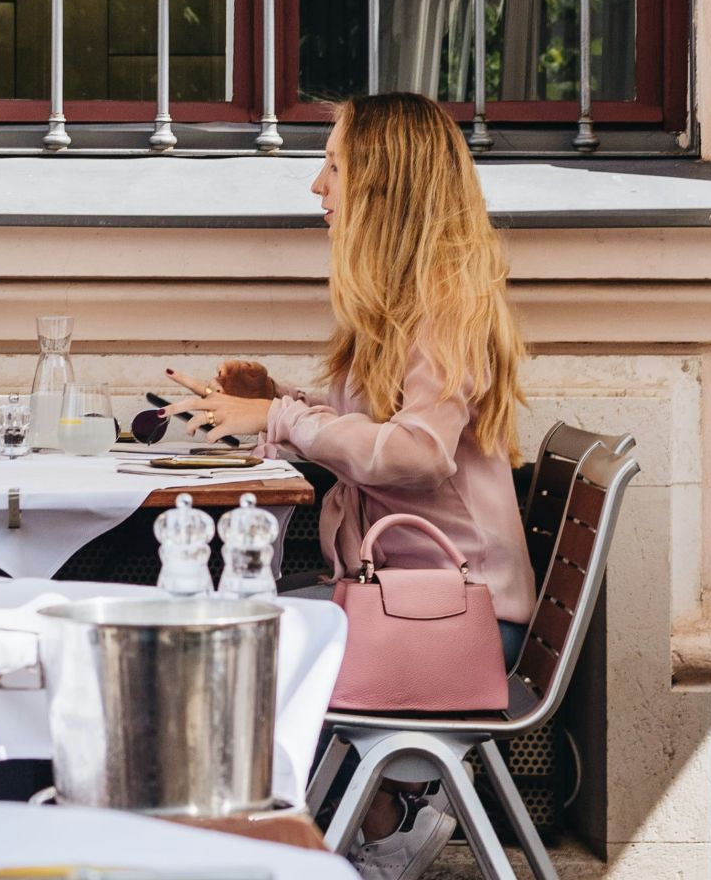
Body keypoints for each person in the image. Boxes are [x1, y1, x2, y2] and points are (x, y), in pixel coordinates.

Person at [161, 92, 531, 879]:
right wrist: (277, 399)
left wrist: (285, 418)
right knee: (227, 631)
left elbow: (417, 454)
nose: (317, 186)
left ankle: (352, 827)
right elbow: (376, 431)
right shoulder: (408, 306)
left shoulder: (447, 307)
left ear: (383, 184)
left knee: (229, 643)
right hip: (411, 601)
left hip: (453, 622)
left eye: (334, 165)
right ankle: (381, 820)